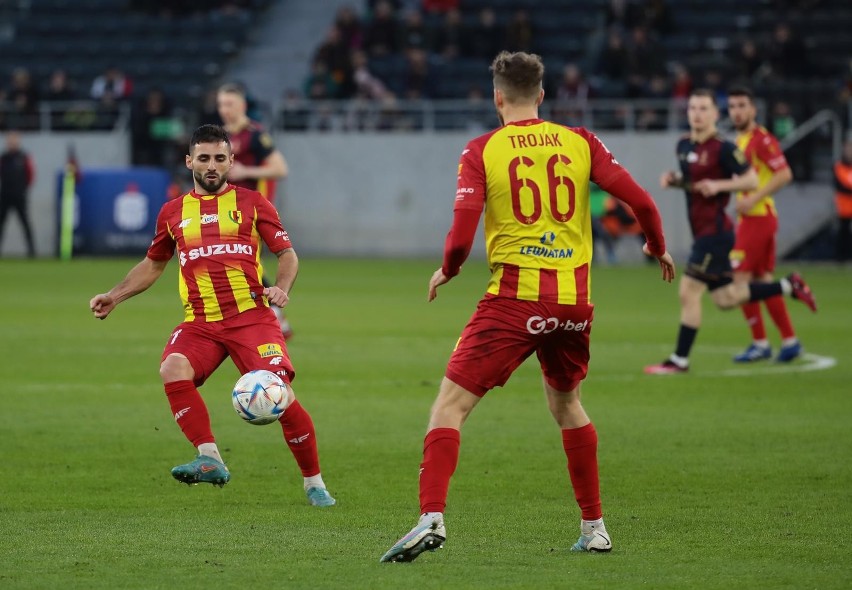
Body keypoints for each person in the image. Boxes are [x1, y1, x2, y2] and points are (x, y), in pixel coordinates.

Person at [380, 51, 677, 563]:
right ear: (542, 95)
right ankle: (595, 527)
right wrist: (655, 245)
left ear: (497, 96)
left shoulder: (482, 149)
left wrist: (448, 271)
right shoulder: (579, 141)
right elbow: (644, 203)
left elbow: (460, 238)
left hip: (515, 301)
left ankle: (431, 517)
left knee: (449, 407)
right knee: (566, 406)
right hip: (574, 306)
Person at [89, 124, 335, 507]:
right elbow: (153, 264)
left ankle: (314, 483)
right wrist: (115, 295)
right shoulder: (173, 212)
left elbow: (287, 254)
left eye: (220, 158)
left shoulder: (253, 203)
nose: (212, 165)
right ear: (189, 161)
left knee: (279, 395)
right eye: (203, 158)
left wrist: (282, 287)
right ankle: (210, 458)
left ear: (231, 162)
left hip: (251, 318)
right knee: (172, 367)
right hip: (201, 322)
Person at [644, 89, 816, 375]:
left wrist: (721, 186)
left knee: (689, 291)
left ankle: (679, 360)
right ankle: (788, 286)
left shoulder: (724, 148)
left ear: (714, 114)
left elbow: (749, 179)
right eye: (693, 108)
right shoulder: (683, 145)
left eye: (703, 109)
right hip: (702, 231)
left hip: (717, 231)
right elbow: (695, 183)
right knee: (725, 298)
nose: (697, 114)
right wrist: (676, 181)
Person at [727, 87, 801, 363]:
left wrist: (753, 198)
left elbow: (784, 174)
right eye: (732, 106)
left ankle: (760, 343)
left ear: (753, 109)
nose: (736, 111)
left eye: (742, 105)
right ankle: (790, 340)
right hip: (754, 218)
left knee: (738, 282)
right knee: (762, 281)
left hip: (758, 218)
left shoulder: (762, 139)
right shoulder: (741, 139)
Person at [216, 83, 292, 338]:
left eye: (230, 104)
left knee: (245, 265)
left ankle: (274, 317)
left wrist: (248, 171)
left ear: (242, 106)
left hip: (250, 213)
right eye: (221, 105)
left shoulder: (255, 135)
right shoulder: (221, 137)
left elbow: (280, 169)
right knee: (242, 264)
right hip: (225, 211)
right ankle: (272, 318)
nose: (225, 110)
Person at [0, 131, 36, 257]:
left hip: (20, 196)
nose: (11, 143)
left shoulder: (24, 157)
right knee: (1, 224)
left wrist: (23, 189)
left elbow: (31, 175)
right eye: (9, 141)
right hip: (5, 195)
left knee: (25, 224)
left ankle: (32, 252)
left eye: (14, 141)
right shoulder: (3, 158)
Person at [833, 140, 852, 263]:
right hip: (844, 207)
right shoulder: (838, 167)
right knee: (843, 233)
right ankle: (841, 258)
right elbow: (840, 186)